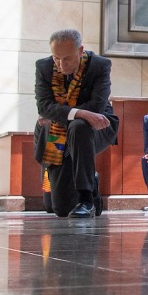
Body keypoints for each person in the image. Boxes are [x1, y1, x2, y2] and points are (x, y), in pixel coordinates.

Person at [34, 29, 117, 218]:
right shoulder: (44, 67)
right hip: (58, 129)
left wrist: (62, 113)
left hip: (99, 125)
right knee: (61, 210)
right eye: (56, 58)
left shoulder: (100, 65)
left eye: (67, 59)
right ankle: (91, 182)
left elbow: (97, 105)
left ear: (80, 51)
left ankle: (86, 199)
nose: (61, 65)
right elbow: (44, 106)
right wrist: (78, 113)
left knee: (79, 126)